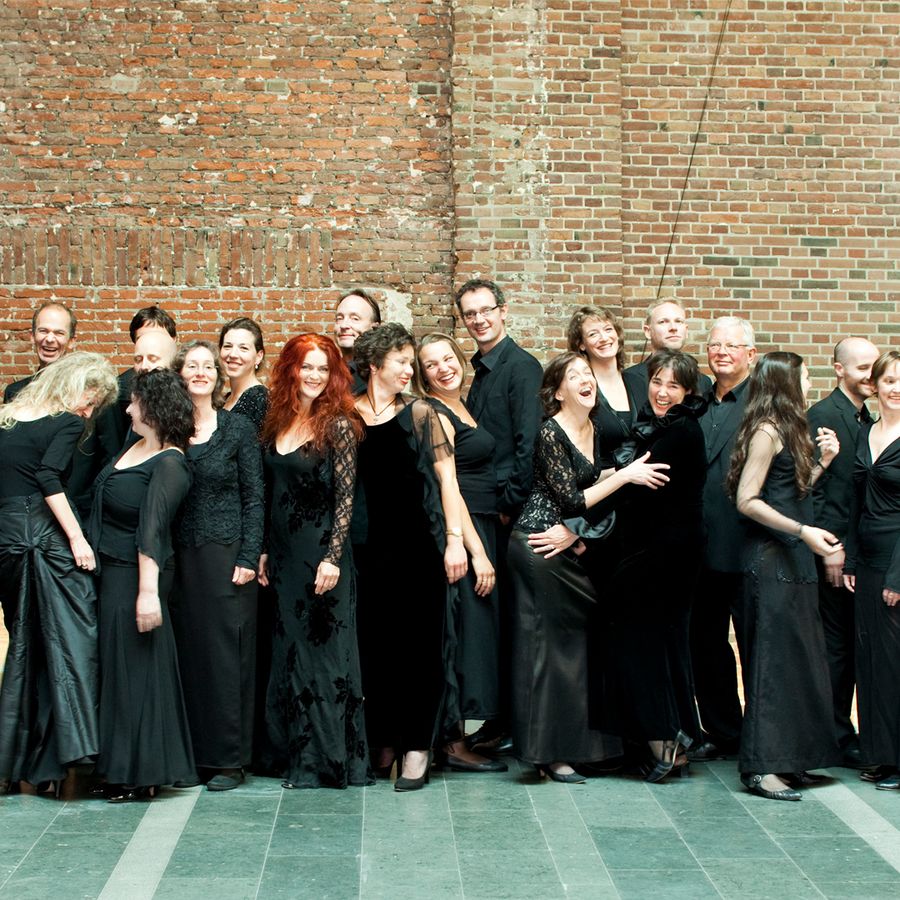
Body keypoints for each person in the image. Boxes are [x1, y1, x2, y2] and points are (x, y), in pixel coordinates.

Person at [509, 352, 670, 782]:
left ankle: (581, 747)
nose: (586, 379)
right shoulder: (550, 431)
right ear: (558, 391)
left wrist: (622, 472)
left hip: (567, 544)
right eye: (574, 375)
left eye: (587, 373)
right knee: (548, 652)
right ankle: (548, 754)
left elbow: (591, 480)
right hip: (539, 546)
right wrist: (625, 476)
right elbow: (572, 499)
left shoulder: (593, 427)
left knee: (575, 650)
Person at [352, 323, 468, 791]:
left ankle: (418, 748)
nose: (409, 368)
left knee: (419, 650)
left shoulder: (422, 413)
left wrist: (455, 540)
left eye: (409, 360)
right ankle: (383, 742)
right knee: (375, 649)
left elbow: (448, 482)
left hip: (419, 549)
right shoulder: (347, 415)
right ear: (374, 365)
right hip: (366, 552)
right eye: (400, 361)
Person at [727, 351, 842, 801]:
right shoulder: (766, 431)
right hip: (770, 562)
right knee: (770, 666)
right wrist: (803, 531)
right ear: (786, 383)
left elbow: (788, 492)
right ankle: (761, 769)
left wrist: (823, 462)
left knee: (797, 663)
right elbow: (747, 500)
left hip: (793, 560)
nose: (809, 381)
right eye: (805, 375)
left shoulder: (791, 430)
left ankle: (790, 759)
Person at [0, 352, 117, 794]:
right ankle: (62, 754)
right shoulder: (65, 422)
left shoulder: (7, 417)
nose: (88, 413)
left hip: (6, 543)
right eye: (91, 400)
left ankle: (16, 763)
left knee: (24, 645)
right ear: (74, 385)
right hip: (42, 538)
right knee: (72, 642)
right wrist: (78, 539)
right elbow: (49, 478)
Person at [258, 334, 371, 789]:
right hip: (285, 559)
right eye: (307, 366)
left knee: (323, 660)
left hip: (324, 558)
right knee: (291, 655)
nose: (315, 375)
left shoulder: (339, 425)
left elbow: (346, 500)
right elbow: (274, 493)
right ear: (291, 369)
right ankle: (294, 756)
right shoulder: (278, 420)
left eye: (324, 368)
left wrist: (333, 559)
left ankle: (324, 763)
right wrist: (265, 549)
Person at [590, 350, 707, 781]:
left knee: (642, 647)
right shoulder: (662, 426)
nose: (661, 391)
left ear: (688, 392)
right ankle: (672, 742)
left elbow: (632, 491)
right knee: (656, 646)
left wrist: (581, 512)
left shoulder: (680, 431)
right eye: (657, 381)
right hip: (656, 551)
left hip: (663, 556)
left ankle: (664, 744)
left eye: (673, 385)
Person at [87, 368, 196, 803]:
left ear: (153, 407)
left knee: (138, 672)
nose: (128, 409)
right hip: (113, 572)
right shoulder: (133, 447)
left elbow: (152, 531)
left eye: (134, 402)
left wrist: (147, 594)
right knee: (120, 672)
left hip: (138, 577)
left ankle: (140, 772)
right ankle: (118, 766)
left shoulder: (170, 463)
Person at [170, 341, 264, 792]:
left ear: (217, 375)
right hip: (179, 557)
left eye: (208, 365)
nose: (201, 372)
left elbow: (255, 495)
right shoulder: (169, 429)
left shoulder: (238, 428)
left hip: (228, 556)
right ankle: (194, 755)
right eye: (192, 366)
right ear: (180, 375)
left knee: (228, 656)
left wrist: (250, 555)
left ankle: (229, 760)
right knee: (189, 653)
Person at [456, 278, 542, 755]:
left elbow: (528, 445)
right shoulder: (483, 370)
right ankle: (498, 719)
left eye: (485, 310)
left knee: (511, 619)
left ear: (503, 311)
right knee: (497, 619)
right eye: (470, 314)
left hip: (509, 513)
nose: (479, 320)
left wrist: (509, 505)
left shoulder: (521, 367)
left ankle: (510, 723)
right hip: (488, 510)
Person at [414, 333, 505, 774]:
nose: (443, 368)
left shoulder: (463, 404)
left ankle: (459, 737)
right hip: (466, 530)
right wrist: (477, 550)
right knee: (459, 637)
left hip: (485, 524)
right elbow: (450, 488)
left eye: (448, 358)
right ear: (422, 374)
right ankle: (450, 743)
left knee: (474, 636)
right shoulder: (434, 413)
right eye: (431, 364)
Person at [808, 336, 880, 769]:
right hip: (834, 551)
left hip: (860, 551)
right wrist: (832, 547)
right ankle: (834, 734)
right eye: (863, 368)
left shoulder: (865, 416)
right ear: (839, 370)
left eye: (875, 366)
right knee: (835, 649)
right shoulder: (823, 415)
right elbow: (816, 488)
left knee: (852, 647)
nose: (871, 375)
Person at [688, 316, 758, 762]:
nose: (722, 352)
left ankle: (761, 734)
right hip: (700, 546)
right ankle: (724, 730)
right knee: (705, 643)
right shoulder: (696, 402)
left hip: (748, 543)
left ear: (750, 354)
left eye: (732, 346)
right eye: (716, 345)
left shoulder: (764, 404)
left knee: (755, 644)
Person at [843, 350, 900, 791]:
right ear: (875, 385)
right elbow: (856, 503)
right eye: (890, 380)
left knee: (896, 663)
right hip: (867, 561)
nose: (896, 388)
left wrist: (898, 576)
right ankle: (879, 754)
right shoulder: (866, 431)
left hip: (897, 561)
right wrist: (851, 560)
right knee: (870, 661)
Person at [567, 306, 642, 465]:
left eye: (608, 329)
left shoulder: (639, 382)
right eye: (593, 334)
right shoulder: (581, 389)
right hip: (603, 479)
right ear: (581, 344)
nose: (604, 338)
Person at [623, 300, 713, 398]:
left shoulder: (703, 382)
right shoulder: (628, 379)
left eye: (678, 321)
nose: (673, 327)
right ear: (648, 332)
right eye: (663, 322)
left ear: (686, 330)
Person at [3, 302, 77, 402]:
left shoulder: (87, 392)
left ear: (71, 341)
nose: (49, 339)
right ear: (32, 336)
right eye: (43, 331)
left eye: (59, 333)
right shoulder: (14, 393)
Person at [220, 317, 269, 434]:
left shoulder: (262, 401)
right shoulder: (223, 400)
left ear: (258, 356)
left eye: (243, 348)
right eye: (227, 346)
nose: (233, 354)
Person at [334, 289, 381, 392]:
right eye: (339, 318)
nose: (344, 325)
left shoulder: (380, 377)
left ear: (375, 328)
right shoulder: (326, 371)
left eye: (355, 318)